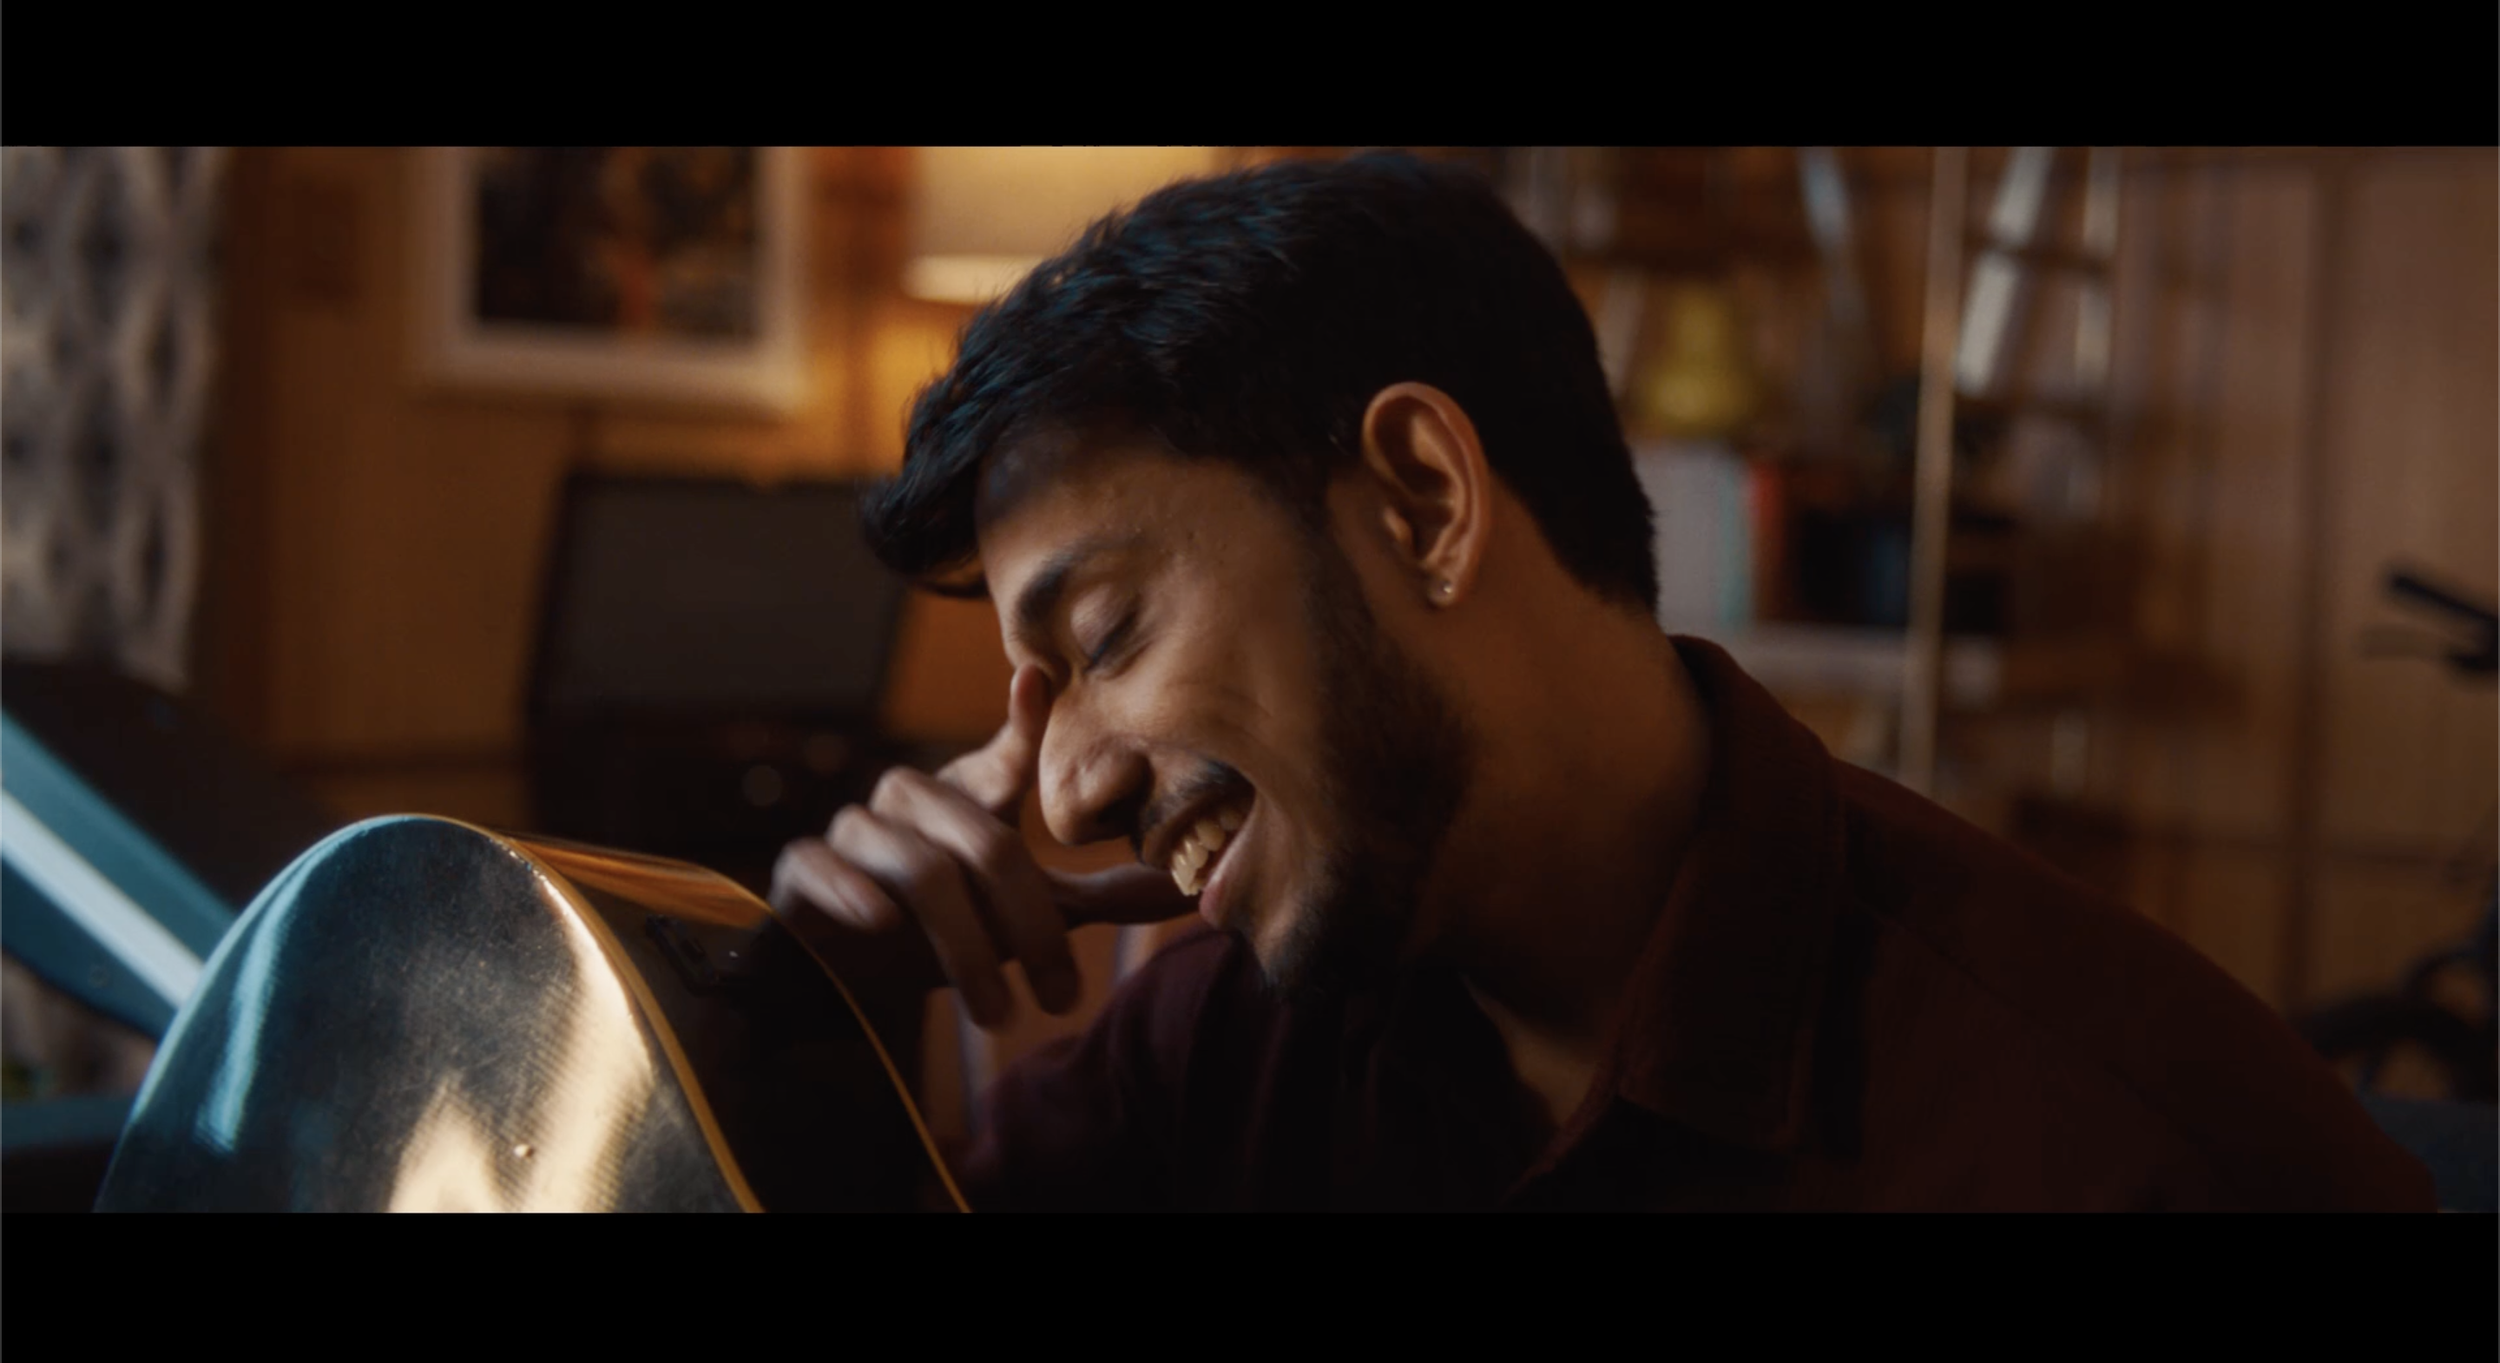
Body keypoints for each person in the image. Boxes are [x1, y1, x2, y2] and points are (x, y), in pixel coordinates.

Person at [769, 151, 2434, 1211]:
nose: (1064, 793)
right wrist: (797, 1030)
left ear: (1423, 500)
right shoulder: (1236, 1039)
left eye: (1108, 636)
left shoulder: (2130, 1144)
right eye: (1034, 689)